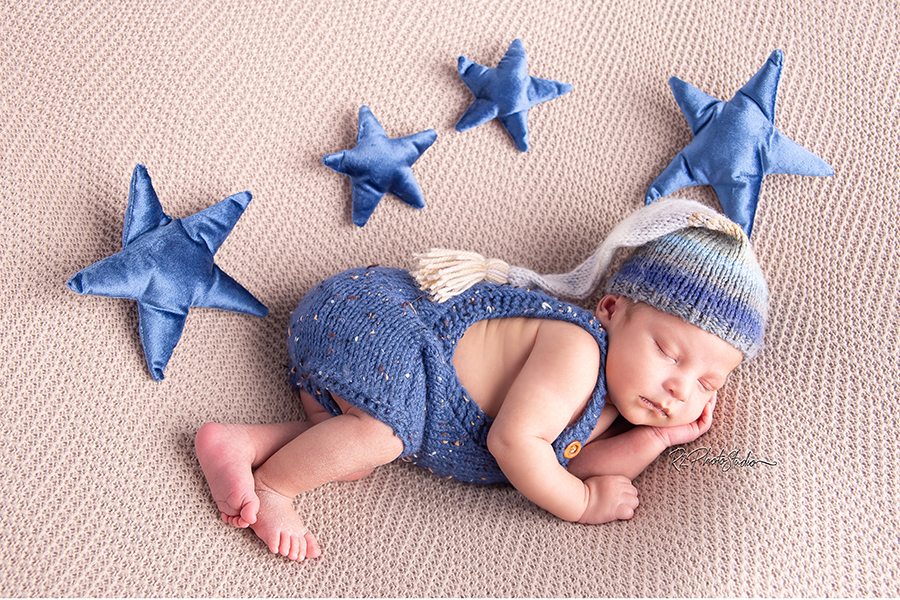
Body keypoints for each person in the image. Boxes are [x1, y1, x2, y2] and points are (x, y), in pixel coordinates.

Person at [196, 198, 768, 562]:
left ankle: (242, 443)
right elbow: (518, 447)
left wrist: (657, 440)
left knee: (357, 454)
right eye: (669, 353)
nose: (680, 389)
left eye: (708, 383)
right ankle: (273, 486)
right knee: (382, 437)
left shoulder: (608, 404)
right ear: (613, 308)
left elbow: (567, 459)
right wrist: (582, 503)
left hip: (365, 370)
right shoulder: (578, 350)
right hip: (378, 321)